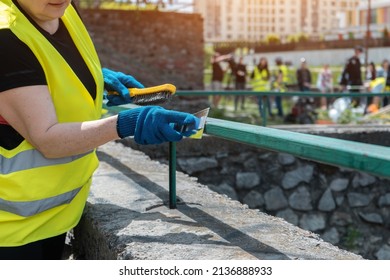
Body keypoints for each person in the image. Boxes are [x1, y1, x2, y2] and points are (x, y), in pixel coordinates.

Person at [0, 0, 199, 260]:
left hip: (52, 216)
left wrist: (93, 78)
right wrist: (128, 123)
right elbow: (47, 138)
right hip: (12, 230)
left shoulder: (62, 10)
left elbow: (49, 68)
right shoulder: (6, 35)